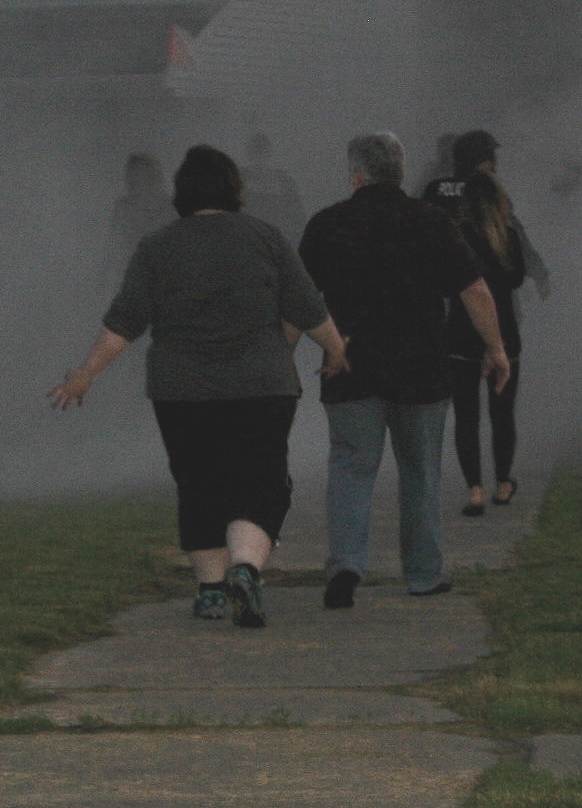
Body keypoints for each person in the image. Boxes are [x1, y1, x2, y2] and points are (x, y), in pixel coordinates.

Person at [49, 145, 348, 630]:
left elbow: (124, 322)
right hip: (262, 387)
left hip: (182, 391)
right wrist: (336, 351)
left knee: (199, 482)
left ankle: (211, 591)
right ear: (235, 190)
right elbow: (307, 308)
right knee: (261, 480)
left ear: (180, 193)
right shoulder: (266, 238)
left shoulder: (157, 247)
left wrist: (86, 375)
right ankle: (246, 569)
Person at [299, 132, 511, 609]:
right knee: (420, 472)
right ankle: (423, 572)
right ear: (399, 169)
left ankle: (347, 564)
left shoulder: (327, 225)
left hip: (349, 366)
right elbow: (474, 290)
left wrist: (281, 359)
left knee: (352, 467)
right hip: (422, 368)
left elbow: (298, 302)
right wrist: (495, 348)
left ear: (356, 174)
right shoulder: (432, 221)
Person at [421, 130, 526, 515]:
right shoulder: (506, 230)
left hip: (459, 327)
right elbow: (516, 276)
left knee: (466, 414)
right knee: (502, 413)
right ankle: (503, 482)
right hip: (504, 328)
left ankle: (475, 491)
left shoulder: (435, 195)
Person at [101, 154, 169, 288]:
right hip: (132, 276)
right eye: (134, 174)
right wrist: (103, 276)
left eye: (149, 174)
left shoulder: (171, 206)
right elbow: (113, 244)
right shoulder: (123, 206)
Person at [239, 134, 306, 239]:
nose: (259, 157)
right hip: (247, 237)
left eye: (262, 152)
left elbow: (296, 214)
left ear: (269, 154)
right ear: (249, 154)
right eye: (255, 152)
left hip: (277, 238)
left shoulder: (284, 180)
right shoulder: (239, 179)